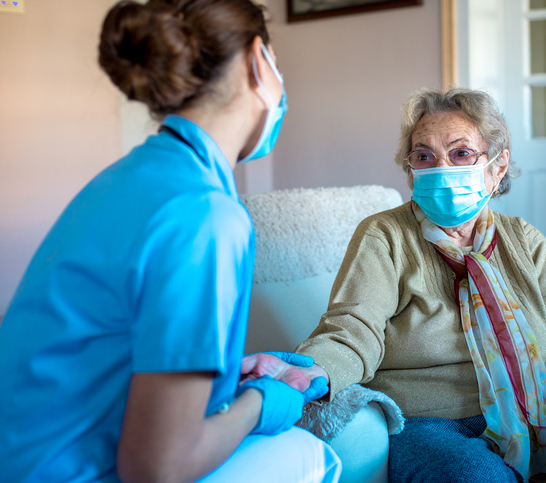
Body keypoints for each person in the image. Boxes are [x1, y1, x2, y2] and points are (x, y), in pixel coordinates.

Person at [0, 1, 340, 482]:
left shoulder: (125, 177)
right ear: (259, 61)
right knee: (307, 452)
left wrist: (228, 370)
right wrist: (259, 405)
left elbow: (105, 341)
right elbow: (156, 469)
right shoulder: (208, 217)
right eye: (276, 63)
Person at [296, 87, 546, 482]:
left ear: (497, 167)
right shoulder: (384, 236)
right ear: (411, 169)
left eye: (461, 153)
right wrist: (305, 371)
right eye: (424, 156)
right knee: (473, 475)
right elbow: (352, 331)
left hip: (537, 412)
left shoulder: (524, 240)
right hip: (432, 424)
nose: (442, 168)